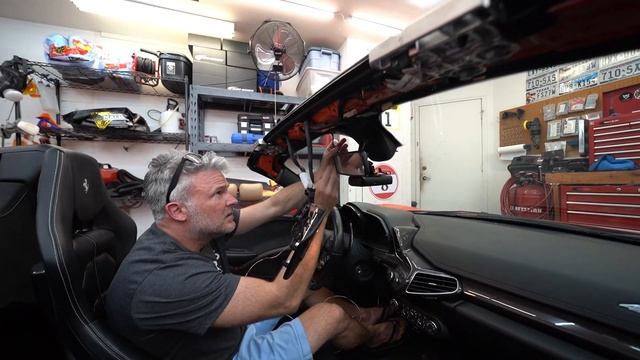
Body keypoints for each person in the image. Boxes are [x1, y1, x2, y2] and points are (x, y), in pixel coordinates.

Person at [105, 140, 404, 360]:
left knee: (307, 285)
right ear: (178, 210)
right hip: (231, 355)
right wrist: (321, 211)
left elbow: (274, 205)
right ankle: (375, 336)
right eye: (218, 194)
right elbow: (285, 300)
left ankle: (365, 316)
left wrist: (325, 173)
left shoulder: (188, 230)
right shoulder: (163, 279)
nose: (232, 201)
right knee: (331, 316)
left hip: (226, 333)